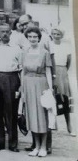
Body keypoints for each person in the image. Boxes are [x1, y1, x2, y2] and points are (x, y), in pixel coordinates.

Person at [0, 23, 22, 152]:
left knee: (11, 111)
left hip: (11, 78)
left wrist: (20, 85)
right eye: (2, 32)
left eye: (7, 31)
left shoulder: (16, 48)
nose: (5, 34)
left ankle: (13, 143)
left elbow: (20, 67)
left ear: (11, 33)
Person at [21, 27, 53, 157]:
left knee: (42, 116)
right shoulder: (25, 51)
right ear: (27, 38)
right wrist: (22, 88)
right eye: (30, 37)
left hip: (41, 84)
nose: (32, 39)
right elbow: (23, 71)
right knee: (31, 115)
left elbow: (48, 71)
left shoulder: (44, 52)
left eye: (35, 37)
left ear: (39, 38)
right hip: (28, 84)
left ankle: (44, 146)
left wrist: (50, 89)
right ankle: (36, 146)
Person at [49, 27, 75, 136]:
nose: (56, 36)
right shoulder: (49, 44)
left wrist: (62, 72)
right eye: (54, 34)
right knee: (53, 98)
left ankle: (69, 126)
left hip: (63, 72)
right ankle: (53, 123)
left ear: (61, 35)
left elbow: (68, 62)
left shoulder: (66, 46)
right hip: (52, 72)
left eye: (58, 34)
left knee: (64, 98)